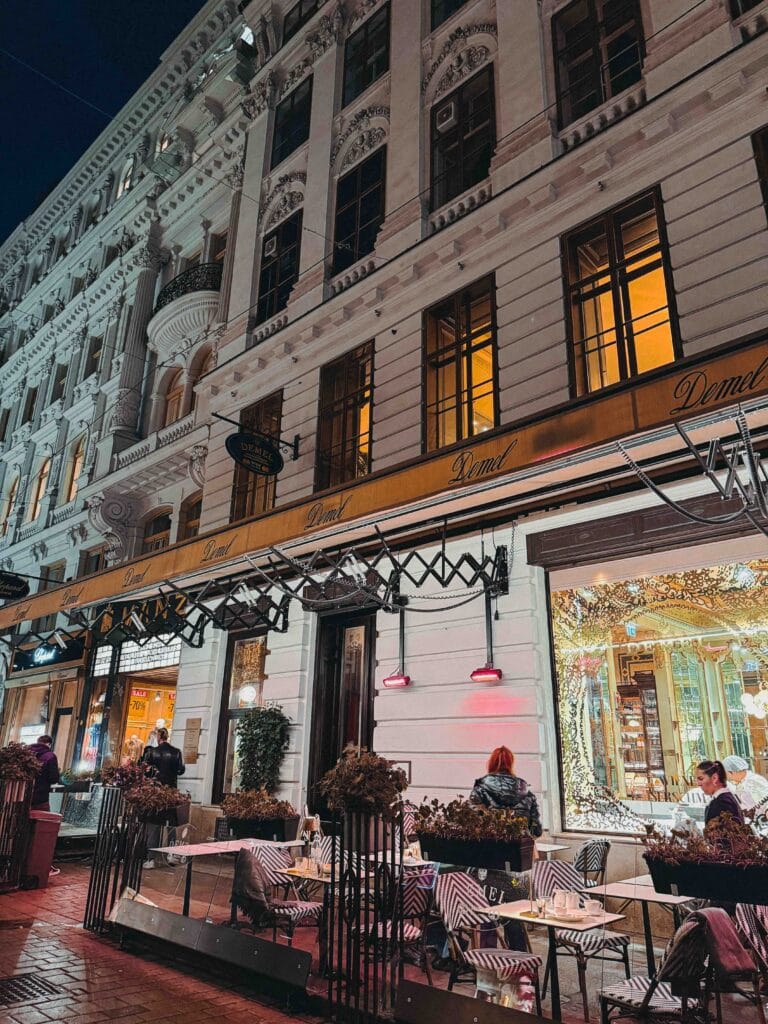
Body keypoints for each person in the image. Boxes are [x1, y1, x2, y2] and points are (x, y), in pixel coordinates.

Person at [470, 745, 543, 837]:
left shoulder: (480, 789)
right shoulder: (527, 793)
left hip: (489, 845)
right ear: (511, 764)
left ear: (491, 763)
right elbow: (536, 830)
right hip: (519, 847)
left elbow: (471, 822)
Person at [140, 727, 184, 869]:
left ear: (159, 736)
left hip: (156, 791)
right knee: (171, 824)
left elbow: (145, 770)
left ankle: (151, 858)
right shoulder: (176, 752)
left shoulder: (152, 752)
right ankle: (171, 854)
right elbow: (180, 770)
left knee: (154, 824)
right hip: (170, 791)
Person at [696, 759, 744, 825]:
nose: (698, 783)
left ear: (714, 778)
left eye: (701, 779)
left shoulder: (722, 803)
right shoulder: (726, 798)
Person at [28, 734, 60, 811]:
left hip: (24, 794)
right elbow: (53, 778)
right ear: (49, 744)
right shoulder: (50, 756)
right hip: (41, 797)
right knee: (42, 820)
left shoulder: (27, 753)